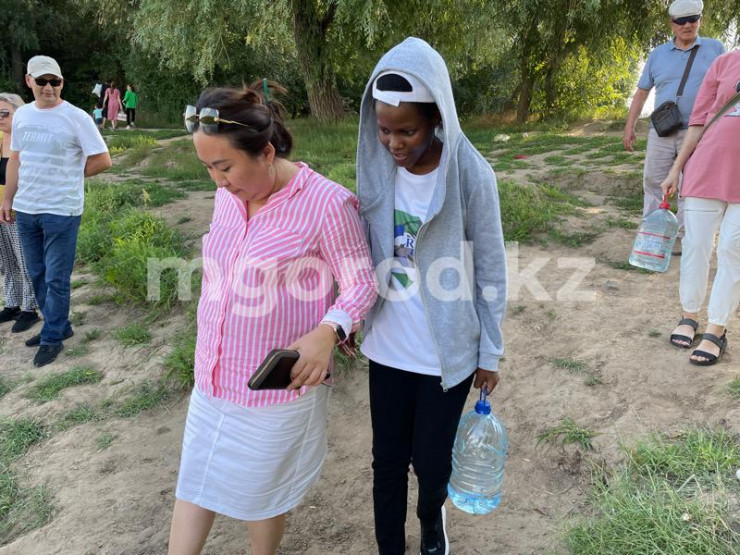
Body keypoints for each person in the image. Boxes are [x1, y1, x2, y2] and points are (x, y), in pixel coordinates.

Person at [167, 81, 377, 555]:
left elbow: (362, 283)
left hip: (273, 392)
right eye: (207, 168)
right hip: (213, 374)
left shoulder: (326, 203)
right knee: (196, 478)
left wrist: (329, 331)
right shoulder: (228, 196)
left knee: (261, 496)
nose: (217, 181)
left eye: (225, 166)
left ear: (265, 152)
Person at [356, 38, 507, 555]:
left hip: (446, 356)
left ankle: (430, 523)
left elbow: (491, 269)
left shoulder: (471, 175)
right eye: (384, 129)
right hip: (387, 348)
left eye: (407, 131)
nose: (393, 143)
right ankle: (389, 547)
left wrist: (490, 351)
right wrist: (349, 316)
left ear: (436, 118)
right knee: (387, 461)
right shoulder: (377, 169)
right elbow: (360, 248)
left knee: (431, 461)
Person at [0, 55, 111, 367]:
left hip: (61, 210)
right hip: (26, 209)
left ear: (62, 82)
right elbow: (16, 159)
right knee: (37, 273)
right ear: (29, 81)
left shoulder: (76, 117)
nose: (48, 87)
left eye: (55, 81)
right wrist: (8, 200)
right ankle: (59, 325)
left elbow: (103, 159)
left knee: (56, 278)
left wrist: (69, 174)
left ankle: (51, 339)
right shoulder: (23, 116)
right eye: (42, 81)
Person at [623, 0, 724, 254]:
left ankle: (683, 238)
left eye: (692, 19)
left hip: (699, 132)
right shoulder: (657, 54)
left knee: (690, 186)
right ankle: (653, 237)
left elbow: (726, 89)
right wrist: (629, 126)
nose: (687, 25)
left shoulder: (715, 49)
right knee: (653, 182)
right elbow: (642, 92)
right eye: (681, 21)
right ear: (672, 24)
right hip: (662, 131)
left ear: (700, 20)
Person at [661, 50, 740, 366]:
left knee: (733, 249)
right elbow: (697, 122)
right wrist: (675, 169)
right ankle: (689, 315)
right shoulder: (724, 63)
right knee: (695, 245)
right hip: (706, 167)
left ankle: (716, 329)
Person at [0, 93, 40, 333]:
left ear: (19, 114)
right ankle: (12, 304)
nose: (0, 118)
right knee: (6, 262)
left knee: (25, 262)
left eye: (5, 113)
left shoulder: (26, 142)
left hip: (19, 210)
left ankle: (29, 309)